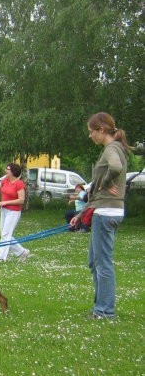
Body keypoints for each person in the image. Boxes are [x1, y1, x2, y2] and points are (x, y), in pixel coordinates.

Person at [70, 112, 129, 320]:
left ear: (101, 130)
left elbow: (115, 168)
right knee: (94, 262)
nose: (90, 136)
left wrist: (104, 182)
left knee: (103, 263)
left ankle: (105, 311)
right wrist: (81, 213)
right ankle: (100, 308)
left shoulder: (112, 149)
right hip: (103, 210)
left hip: (106, 213)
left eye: (91, 132)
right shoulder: (116, 147)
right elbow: (97, 192)